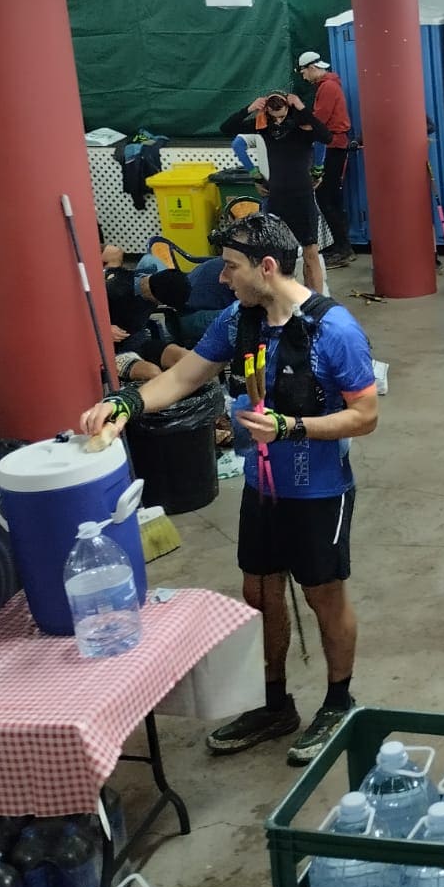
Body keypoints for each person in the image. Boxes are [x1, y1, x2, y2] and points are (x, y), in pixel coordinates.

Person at [79, 212, 378, 765]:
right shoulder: (239, 319)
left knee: (323, 593)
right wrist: (126, 402)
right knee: (259, 593)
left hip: (320, 488)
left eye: (231, 267)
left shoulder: (333, 330)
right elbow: (184, 376)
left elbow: (365, 415)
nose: (221, 278)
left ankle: (339, 701)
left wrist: (295, 428)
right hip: (263, 486)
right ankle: (274, 703)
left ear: (266, 267)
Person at [221, 91, 330, 292]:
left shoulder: (302, 126)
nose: (278, 120)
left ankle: (316, 306)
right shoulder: (264, 128)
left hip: (302, 197)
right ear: (267, 111)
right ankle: (282, 301)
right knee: (276, 256)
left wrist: (301, 107)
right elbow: (227, 129)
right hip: (277, 198)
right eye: (274, 115)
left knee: (311, 254)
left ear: (289, 108)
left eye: (282, 114)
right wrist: (250, 108)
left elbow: (326, 136)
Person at [297, 51, 355, 269]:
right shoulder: (328, 86)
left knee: (326, 198)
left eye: (303, 71)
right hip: (334, 146)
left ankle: (343, 248)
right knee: (331, 199)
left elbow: (319, 120)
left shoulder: (327, 88)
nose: (303, 75)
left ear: (312, 68)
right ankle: (342, 246)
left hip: (331, 147)